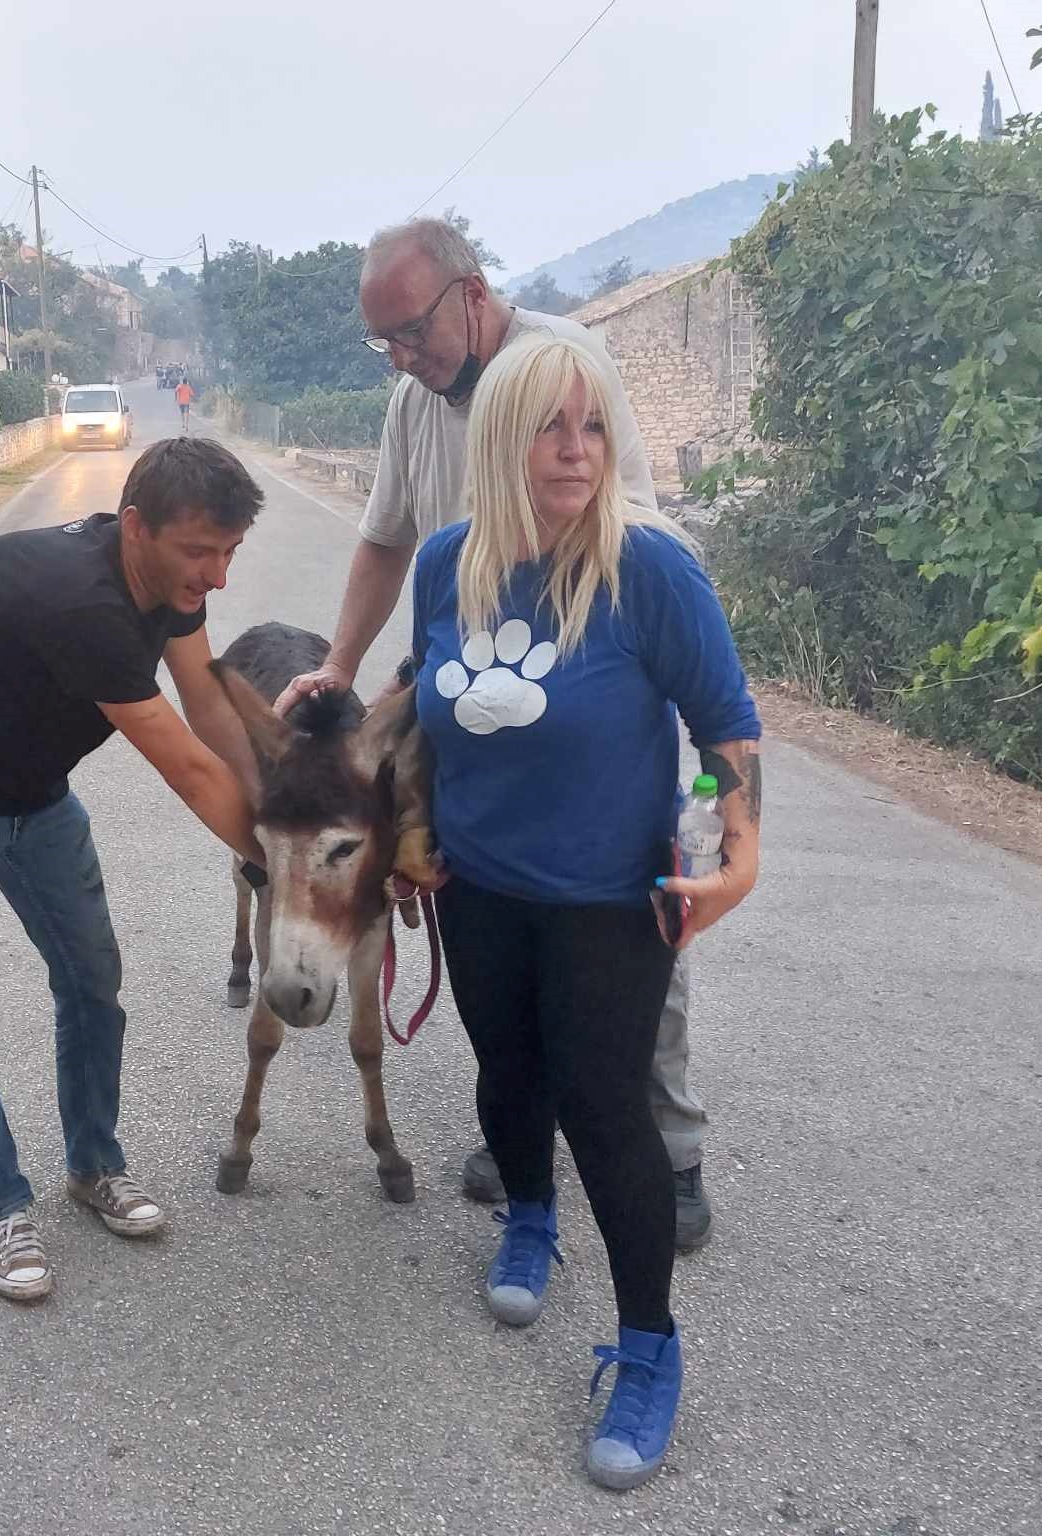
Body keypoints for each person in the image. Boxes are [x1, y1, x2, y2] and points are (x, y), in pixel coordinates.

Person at [277, 217, 720, 1252]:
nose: (400, 355)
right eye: (381, 341)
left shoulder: (566, 367)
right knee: (487, 913)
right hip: (474, 696)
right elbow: (386, 540)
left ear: (469, 295)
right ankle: (523, 1129)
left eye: (412, 331)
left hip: (581, 704)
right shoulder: (411, 404)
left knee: (625, 922)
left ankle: (671, 1145)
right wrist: (343, 667)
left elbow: (633, 528)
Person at [408, 333, 762, 1489]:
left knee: (605, 1111)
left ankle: (649, 1350)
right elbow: (425, 712)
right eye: (550, 427)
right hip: (478, 887)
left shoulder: (647, 569)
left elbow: (723, 733)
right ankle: (525, 1214)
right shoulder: (444, 565)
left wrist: (735, 852)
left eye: (593, 425)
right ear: (500, 440)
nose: (574, 451)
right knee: (504, 1078)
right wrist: (409, 829)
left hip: (611, 901)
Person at [0, 437, 264, 1303]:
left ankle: (94, 1167)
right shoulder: (85, 605)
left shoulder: (171, 585)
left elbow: (207, 711)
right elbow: (188, 770)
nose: (217, 576)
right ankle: (1, 1204)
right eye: (199, 552)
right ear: (137, 527)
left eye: (229, 553)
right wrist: (293, 873)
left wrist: (280, 819)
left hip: (31, 794)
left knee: (91, 979)